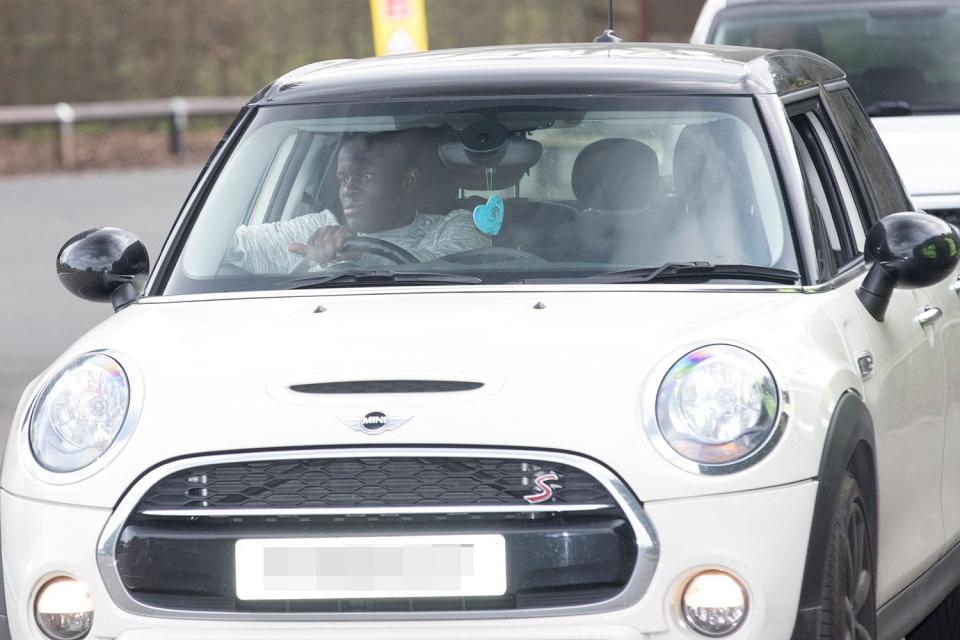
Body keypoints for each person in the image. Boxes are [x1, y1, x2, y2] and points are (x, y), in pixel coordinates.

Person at [224, 129, 490, 274]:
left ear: (407, 181)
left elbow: (439, 268)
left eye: (365, 175)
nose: (349, 189)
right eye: (342, 178)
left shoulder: (456, 227)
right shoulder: (317, 230)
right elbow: (226, 245)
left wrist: (363, 254)